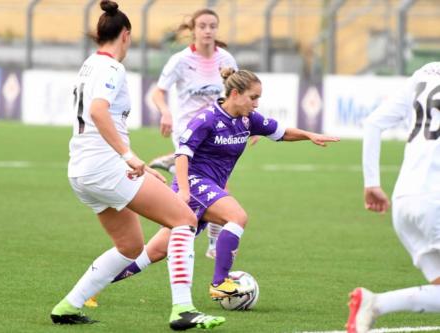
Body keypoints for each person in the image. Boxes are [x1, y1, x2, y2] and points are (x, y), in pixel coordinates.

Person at [83, 68, 339, 303]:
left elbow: (281, 132)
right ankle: (220, 283)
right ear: (235, 94)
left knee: (154, 252)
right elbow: (182, 155)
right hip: (195, 185)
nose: (257, 103)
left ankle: (90, 291)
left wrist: (309, 135)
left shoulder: (248, 120)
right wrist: (183, 191)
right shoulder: (206, 119)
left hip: (209, 188)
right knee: (237, 217)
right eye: (253, 97)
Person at [49, 1, 225, 330]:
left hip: (83, 170)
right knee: (185, 220)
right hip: (105, 167)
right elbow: (99, 112)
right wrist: (128, 156)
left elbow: (104, 118)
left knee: (130, 246)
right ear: (125, 35)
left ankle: (67, 306)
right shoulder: (112, 68)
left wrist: (131, 159)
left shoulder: (89, 64)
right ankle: (183, 310)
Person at [346, 62, 440, 333]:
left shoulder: (426, 72)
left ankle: (375, 303)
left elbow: (374, 122)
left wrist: (372, 182)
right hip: (435, 201)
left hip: (406, 201)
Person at [149, 8, 238, 261]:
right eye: (203, 26)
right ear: (194, 30)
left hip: (218, 131)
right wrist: (165, 112)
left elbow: (237, 95)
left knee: (217, 184)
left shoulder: (227, 60)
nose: (208, 30)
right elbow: (158, 92)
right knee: (215, 187)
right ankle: (208, 242)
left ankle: (174, 167)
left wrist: (245, 122)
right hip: (188, 132)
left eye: (212, 26)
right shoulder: (180, 61)